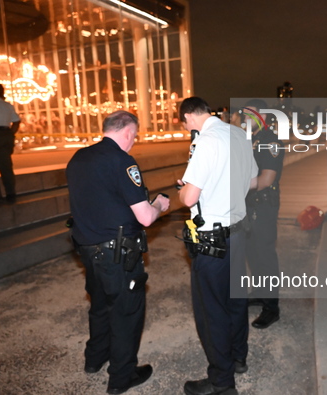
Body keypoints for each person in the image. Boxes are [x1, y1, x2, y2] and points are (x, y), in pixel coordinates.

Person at [66, 110, 170, 395]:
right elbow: (146, 217)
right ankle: (121, 378)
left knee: (99, 307)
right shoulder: (123, 162)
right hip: (118, 256)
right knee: (125, 313)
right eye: (134, 136)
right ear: (127, 132)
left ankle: (94, 359)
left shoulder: (79, 158)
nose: (133, 142)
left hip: (87, 251)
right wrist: (160, 204)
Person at [177, 97, 257, 395]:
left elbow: (188, 198)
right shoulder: (238, 134)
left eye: (185, 123)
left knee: (212, 311)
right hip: (238, 233)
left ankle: (222, 381)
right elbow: (250, 182)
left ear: (188, 117)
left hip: (212, 240)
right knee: (236, 302)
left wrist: (186, 188)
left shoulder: (206, 141)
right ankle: (238, 358)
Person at [243, 100, 284, 329]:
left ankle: (272, 307)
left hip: (263, 206)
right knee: (252, 252)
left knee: (265, 255)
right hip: (247, 206)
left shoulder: (271, 141)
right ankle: (259, 292)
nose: (246, 119)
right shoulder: (249, 140)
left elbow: (266, 179)